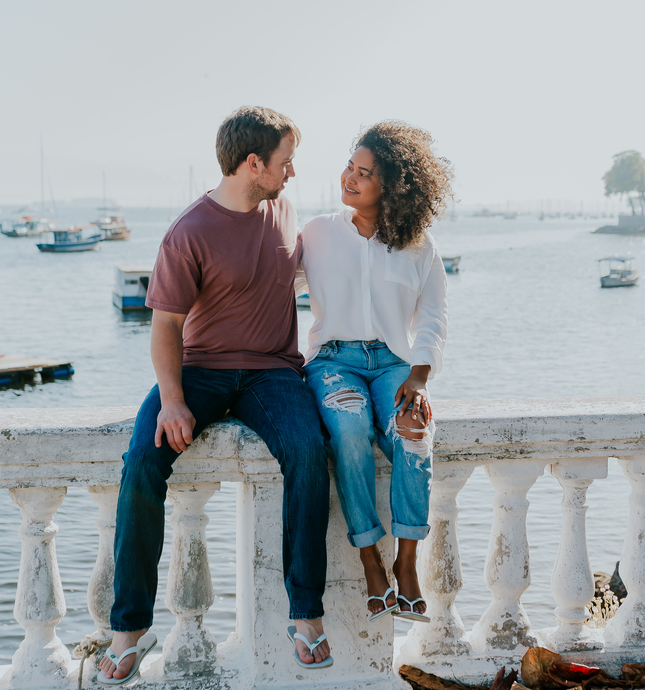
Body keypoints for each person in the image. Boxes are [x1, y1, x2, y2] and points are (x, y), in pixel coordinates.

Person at [97, 107, 333, 685]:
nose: (292, 172)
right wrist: (174, 401)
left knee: (306, 449)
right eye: (284, 161)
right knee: (143, 461)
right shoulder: (189, 232)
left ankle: (305, 614)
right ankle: (129, 628)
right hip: (200, 372)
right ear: (254, 163)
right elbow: (165, 327)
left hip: (273, 373)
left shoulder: (282, 208)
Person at [298, 120, 451, 624]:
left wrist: (421, 376)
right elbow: (266, 283)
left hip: (394, 365)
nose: (351, 178)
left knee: (414, 433)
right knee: (347, 427)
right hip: (333, 361)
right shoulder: (317, 233)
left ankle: (407, 563)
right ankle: (370, 559)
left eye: (365, 173)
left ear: (394, 187)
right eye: (350, 166)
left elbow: (432, 317)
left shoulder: (420, 247)